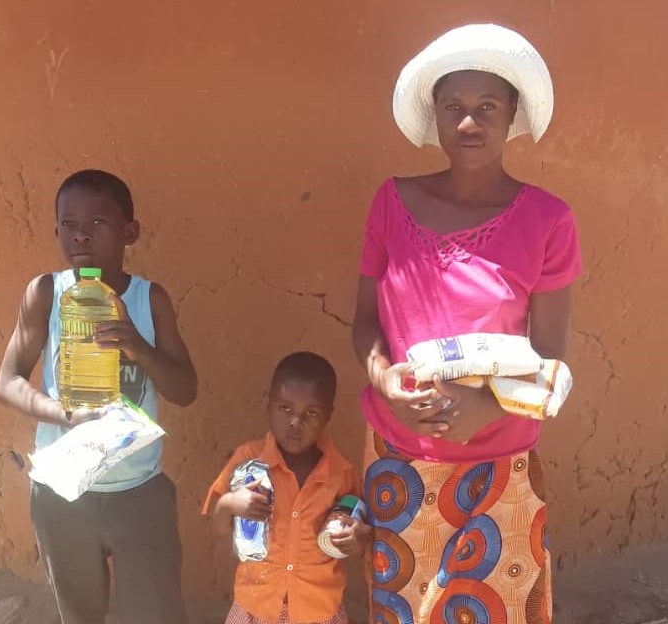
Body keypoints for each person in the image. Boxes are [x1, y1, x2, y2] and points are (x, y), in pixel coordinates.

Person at [352, 24, 581, 623]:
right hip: (398, 459)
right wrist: (385, 384)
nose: (469, 123)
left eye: (486, 108)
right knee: (401, 608)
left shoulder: (549, 221)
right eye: (454, 107)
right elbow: (365, 322)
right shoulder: (391, 202)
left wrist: (486, 411)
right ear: (436, 115)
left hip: (497, 468)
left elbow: (551, 356)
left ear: (511, 116)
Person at [0, 169, 198, 624]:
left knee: (155, 612)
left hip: (139, 490)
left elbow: (185, 391)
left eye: (98, 223)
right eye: (68, 224)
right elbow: (6, 381)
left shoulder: (150, 300)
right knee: (81, 613)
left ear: (130, 232)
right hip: (62, 492)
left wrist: (138, 347)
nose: (81, 235)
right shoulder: (46, 293)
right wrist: (61, 412)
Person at [203, 352, 371, 624]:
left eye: (311, 413)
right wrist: (229, 504)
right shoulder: (248, 460)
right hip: (255, 609)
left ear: (328, 416)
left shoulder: (342, 473)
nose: (296, 422)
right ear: (268, 404)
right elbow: (219, 526)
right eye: (285, 408)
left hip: (318, 612)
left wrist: (359, 537)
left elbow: (359, 530)